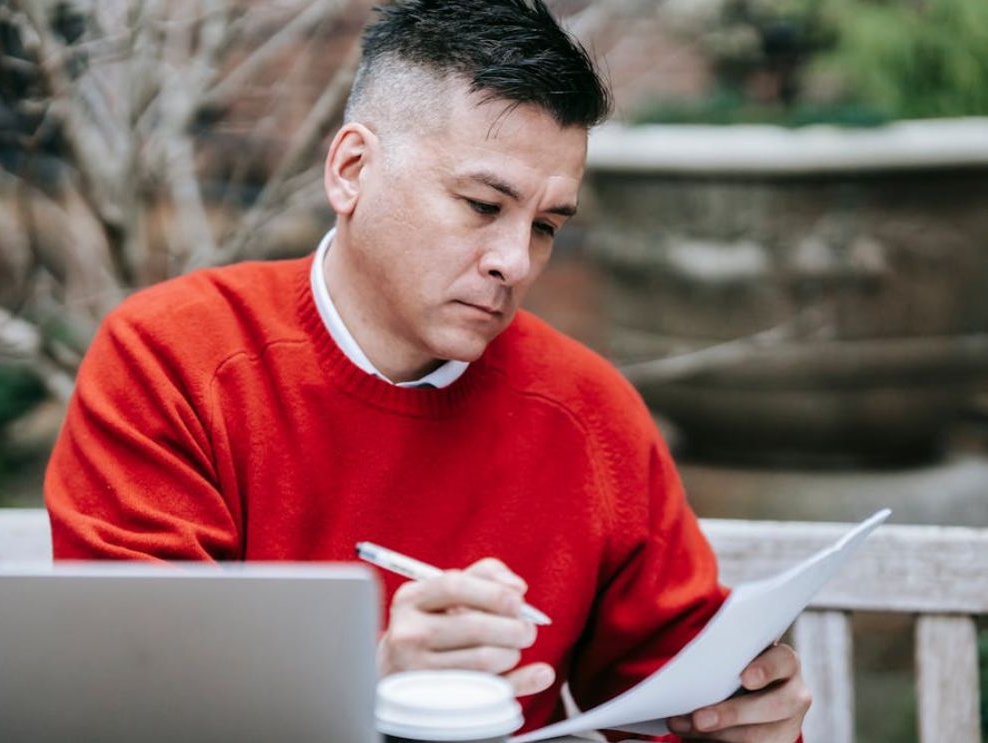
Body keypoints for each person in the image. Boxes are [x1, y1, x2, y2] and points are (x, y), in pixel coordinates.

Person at [44, 0, 811, 739]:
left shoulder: (588, 412)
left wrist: (738, 724)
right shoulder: (174, 359)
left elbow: (668, 697)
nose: (514, 261)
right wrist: (361, 687)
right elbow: (134, 695)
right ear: (350, 170)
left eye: (545, 225)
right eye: (482, 205)